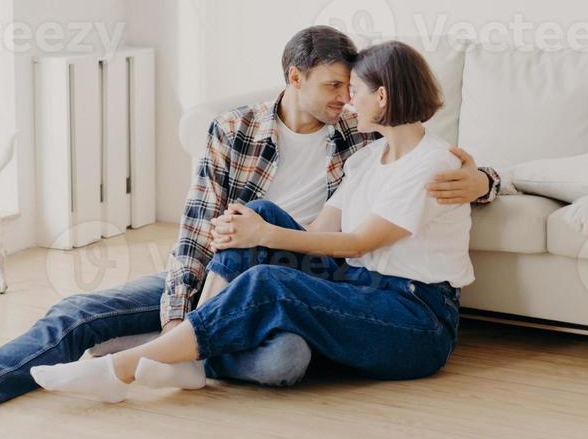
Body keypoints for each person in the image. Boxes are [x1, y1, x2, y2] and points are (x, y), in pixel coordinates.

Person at [0, 28, 498, 420]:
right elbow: (197, 227)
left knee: (283, 358)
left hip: (311, 276)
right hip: (224, 269)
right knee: (82, 309)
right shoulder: (234, 131)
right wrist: (174, 307)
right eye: (332, 87)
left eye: (349, 89)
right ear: (294, 78)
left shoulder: (361, 140)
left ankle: (169, 353)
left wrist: (486, 180)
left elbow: (422, 165)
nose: (341, 101)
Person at [30, 40, 473, 400]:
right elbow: (318, 235)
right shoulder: (370, 157)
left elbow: (357, 242)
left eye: (353, 91)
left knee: (269, 281)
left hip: (416, 318)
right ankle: (187, 353)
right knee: (256, 211)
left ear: (382, 96)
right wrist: (257, 229)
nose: (346, 102)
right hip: (357, 289)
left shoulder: (432, 164)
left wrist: (266, 236)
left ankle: (122, 369)